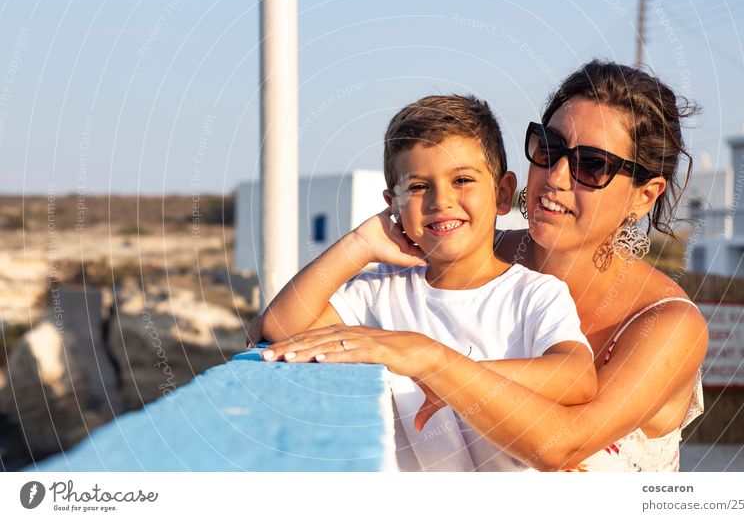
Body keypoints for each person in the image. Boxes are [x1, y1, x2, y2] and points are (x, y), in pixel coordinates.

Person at [254, 60, 709, 472]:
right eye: (548, 148)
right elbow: (282, 328)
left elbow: (561, 446)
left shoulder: (667, 324)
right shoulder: (468, 256)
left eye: (593, 165)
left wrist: (431, 359)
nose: (556, 177)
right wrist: (359, 246)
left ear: (643, 196)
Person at [249, 94, 596, 471]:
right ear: (392, 204)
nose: (440, 200)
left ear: (502, 192)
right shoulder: (378, 290)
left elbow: (576, 377)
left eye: (462, 179)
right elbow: (279, 327)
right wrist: (359, 244)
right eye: (416, 187)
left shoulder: (533, 294)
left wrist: (440, 367)